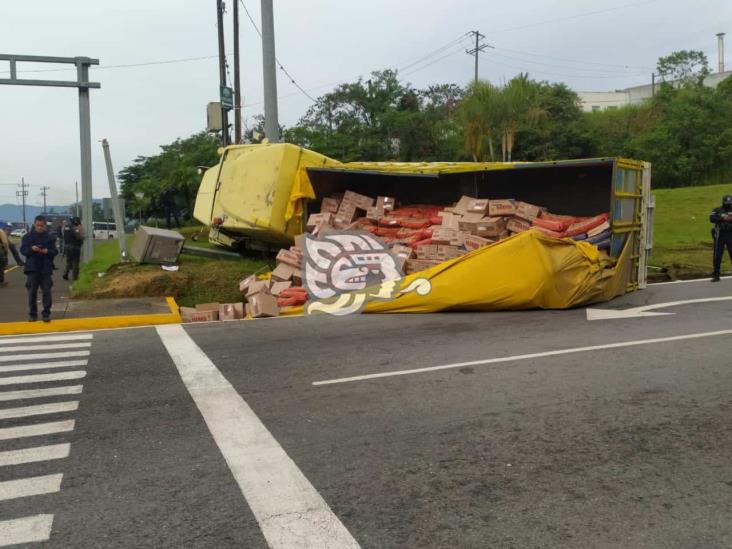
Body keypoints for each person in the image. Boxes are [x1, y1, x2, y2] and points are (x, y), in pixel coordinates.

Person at [20, 215, 58, 322]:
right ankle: (33, 314)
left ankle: (46, 313)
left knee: (47, 292)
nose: (40, 227)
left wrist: (47, 251)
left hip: (45, 268)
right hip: (32, 269)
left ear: (45, 226)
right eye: (38, 225)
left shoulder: (50, 237)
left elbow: (55, 252)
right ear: (34, 224)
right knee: (32, 293)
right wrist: (32, 249)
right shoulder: (27, 237)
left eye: (42, 226)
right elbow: (23, 251)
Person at [710, 194, 732, 282]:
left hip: (731, 234)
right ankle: (716, 275)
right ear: (723, 202)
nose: (728, 204)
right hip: (719, 235)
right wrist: (723, 218)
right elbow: (711, 218)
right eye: (726, 203)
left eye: (729, 203)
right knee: (717, 255)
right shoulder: (717, 210)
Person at [62, 217, 85, 281]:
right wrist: (82, 237)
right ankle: (75, 278)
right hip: (74, 247)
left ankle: (65, 273)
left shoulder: (66, 227)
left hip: (66, 246)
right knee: (75, 262)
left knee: (69, 261)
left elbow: (64, 236)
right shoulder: (75, 229)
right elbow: (78, 237)